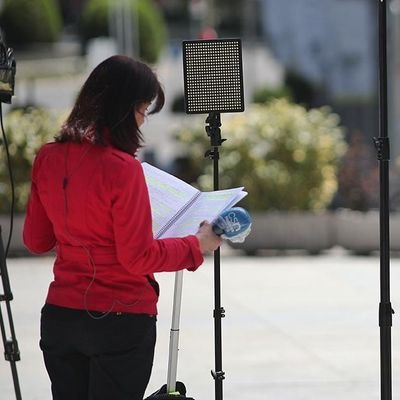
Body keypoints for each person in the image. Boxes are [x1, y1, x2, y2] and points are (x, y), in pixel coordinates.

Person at [23, 55, 222, 400]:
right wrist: (197, 245)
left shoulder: (48, 156)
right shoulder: (123, 169)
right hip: (120, 321)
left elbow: (36, 240)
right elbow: (138, 257)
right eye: (143, 110)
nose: (143, 121)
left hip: (61, 318)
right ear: (125, 108)